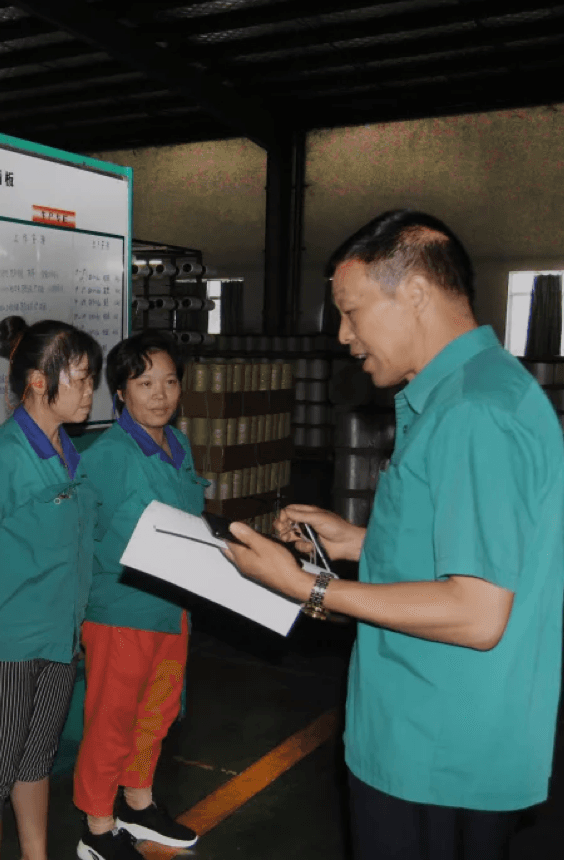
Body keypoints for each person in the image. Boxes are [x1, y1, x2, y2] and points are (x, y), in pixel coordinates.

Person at [224, 210, 564, 860]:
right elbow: (486, 548)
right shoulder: (475, 389)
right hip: (441, 735)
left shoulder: (473, 414)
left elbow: (476, 612)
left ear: (414, 292)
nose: (343, 336)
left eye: (351, 312)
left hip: (435, 750)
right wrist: (358, 542)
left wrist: (307, 587)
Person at [0, 316, 102, 860]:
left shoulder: (66, 453)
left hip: (58, 638)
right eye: (80, 378)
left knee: (36, 762)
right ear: (39, 382)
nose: (90, 391)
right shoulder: (2, 456)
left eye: (91, 378)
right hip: (7, 644)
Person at [72, 332, 203, 860]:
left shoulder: (178, 445)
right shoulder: (107, 456)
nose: (160, 394)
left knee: (158, 711)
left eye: (170, 381)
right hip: (121, 609)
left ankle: (138, 804)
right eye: (145, 383)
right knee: (112, 718)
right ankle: (97, 828)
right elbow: (83, 537)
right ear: (121, 392)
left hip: (172, 607)